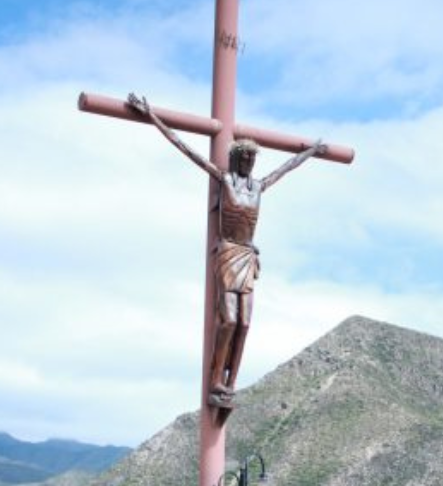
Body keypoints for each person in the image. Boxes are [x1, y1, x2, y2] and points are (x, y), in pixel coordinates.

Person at [128, 93, 326, 408]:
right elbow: (185, 148)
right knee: (229, 319)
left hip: (248, 255)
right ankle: (216, 377)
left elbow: (288, 167)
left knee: (245, 323)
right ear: (236, 159)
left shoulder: (259, 186)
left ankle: (231, 383)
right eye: (245, 158)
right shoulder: (225, 180)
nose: (249, 163)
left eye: (253, 159)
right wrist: (152, 116)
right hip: (228, 253)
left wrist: (312, 151)